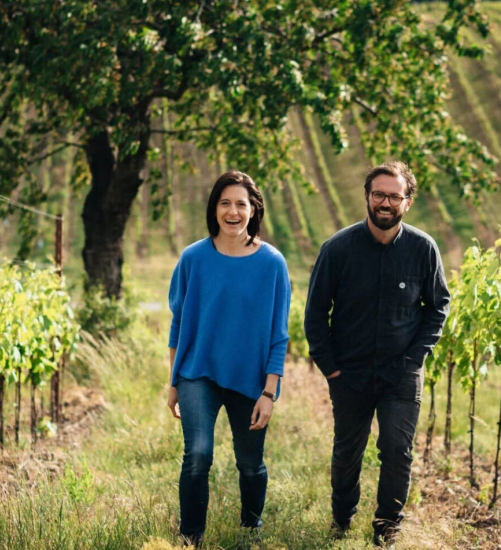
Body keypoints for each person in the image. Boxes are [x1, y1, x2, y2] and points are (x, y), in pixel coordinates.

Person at [303, 161, 450, 546]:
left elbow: (438, 308)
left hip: (401, 373)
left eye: (394, 196)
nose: (386, 202)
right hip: (348, 373)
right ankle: (342, 519)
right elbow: (316, 312)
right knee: (348, 452)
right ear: (368, 197)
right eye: (379, 194)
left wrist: (414, 359)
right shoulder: (337, 249)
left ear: (408, 201)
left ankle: (387, 527)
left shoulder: (423, 250)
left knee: (397, 451)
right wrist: (330, 368)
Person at [166, 170, 292, 546]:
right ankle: (191, 537)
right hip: (196, 373)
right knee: (198, 455)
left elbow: (278, 334)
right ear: (214, 209)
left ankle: (249, 530)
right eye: (225, 203)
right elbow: (178, 322)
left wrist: (269, 393)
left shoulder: (272, 264)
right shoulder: (193, 258)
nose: (232, 211)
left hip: (250, 380)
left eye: (241, 204)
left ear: (254, 210)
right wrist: (173, 382)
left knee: (250, 464)